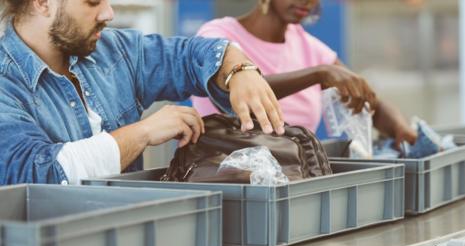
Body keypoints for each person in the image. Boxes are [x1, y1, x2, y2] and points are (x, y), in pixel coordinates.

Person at [0, 0, 286, 185]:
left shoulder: (116, 51)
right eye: (92, 2)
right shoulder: (5, 83)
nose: (108, 13)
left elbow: (187, 56)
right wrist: (143, 132)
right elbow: (36, 174)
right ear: (41, 2)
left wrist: (238, 68)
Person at [191, 0, 417, 146]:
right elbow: (241, 92)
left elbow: (362, 98)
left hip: (294, 178)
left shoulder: (310, 48)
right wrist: (317, 74)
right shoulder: (217, 35)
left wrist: (399, 126)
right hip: (227, 177)